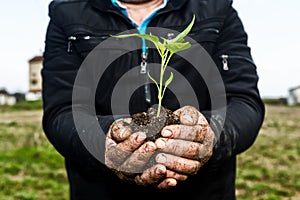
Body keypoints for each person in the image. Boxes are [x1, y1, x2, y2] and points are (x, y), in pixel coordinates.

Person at [41, 0, 265, 199]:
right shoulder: (67, 11)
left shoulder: (216, 7)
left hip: (206, 190)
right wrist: (102, 143)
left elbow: (244, 102)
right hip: (100, 190)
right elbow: (61, 111)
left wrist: (211, 135)